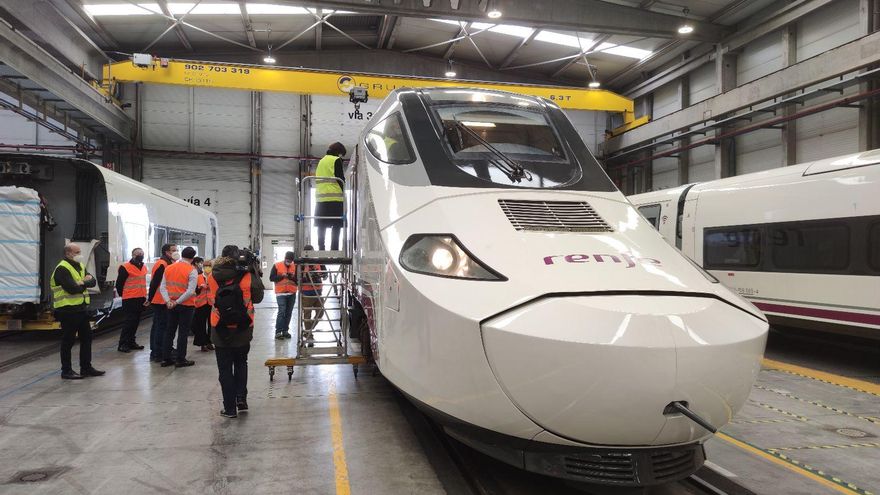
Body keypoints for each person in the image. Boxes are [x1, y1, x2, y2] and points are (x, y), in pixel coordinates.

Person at [208, 244, 264, 418]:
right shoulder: (247, 275)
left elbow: (210, 297)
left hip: (220, 326)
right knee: (241, 363)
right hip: (243, 326)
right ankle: (241, 399)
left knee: (224, 369)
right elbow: (259, 297)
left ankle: (229, 408)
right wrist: (254, 271)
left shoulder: (211, 276)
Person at [52, 243, 104, 379]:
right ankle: (66, 370)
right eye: (77, 252)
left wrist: (81, 283)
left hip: (81, 309)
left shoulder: (79, 266)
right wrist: (83, 282)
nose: (80, 254)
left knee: (87, 338)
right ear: (68, 253)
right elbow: (72, 288)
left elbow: (92, 282)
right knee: (68, 341)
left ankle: (86, 368)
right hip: (67, 310)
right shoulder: (62, 269)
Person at [159, 246, 198, 368]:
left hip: (171, 305)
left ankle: (166, 358)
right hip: (186, 306)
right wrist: (178, 302)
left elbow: (163, 287)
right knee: (183, 333)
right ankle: (180, 359)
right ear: (193, 258)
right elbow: (190, 291)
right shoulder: (192, 270)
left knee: (169, 331)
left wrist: (168, 301)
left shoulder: (169, 268)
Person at [147, 243, 177, 362]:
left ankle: (158, 349)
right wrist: (150, 299)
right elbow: (154, 283)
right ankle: (158, 352)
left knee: (159, 326)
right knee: (162, 327)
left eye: (176, 250)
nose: (175, 252)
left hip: (162, 299)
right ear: (166, 252)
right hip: (160, 300)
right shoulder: (162, 264)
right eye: (173, 250)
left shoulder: (168, 263)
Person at [315, 142, 346, 251]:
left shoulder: (321, 161)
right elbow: (340, 178)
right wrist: (344, 192)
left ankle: (321, 247)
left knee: (321, 224)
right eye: (342, 154)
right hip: (334, 197)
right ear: (339, 152)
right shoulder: (336, 160)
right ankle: (334, 248)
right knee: (336, 224)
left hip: (320, 198)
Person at [115, 247, 147, 353]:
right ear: (133, 255)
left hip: (140, 297)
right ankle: (123, 344)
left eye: (142, 253)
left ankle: (131, 342)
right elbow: (119, 284)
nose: (141, 255)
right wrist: (124, 295)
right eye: (138, 253)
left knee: (136, 321)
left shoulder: (143, 267)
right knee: (129, 322)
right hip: (129, 298)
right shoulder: (125, 267)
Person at [299, 245, 327, 346]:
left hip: (318, 292)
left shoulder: (319, 262)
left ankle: (308, 331)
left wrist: (323, 275)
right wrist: (306, 278)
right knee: (307, 315)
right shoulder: (301, 263)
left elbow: (325, 274)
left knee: (320, 313)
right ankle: (309, 336)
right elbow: (297, 278)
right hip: (306, 293)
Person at [269, 251, 297, 340]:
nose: (289, 261)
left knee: (288, 313)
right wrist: (282, 276)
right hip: (280, 293)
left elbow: (298, 280)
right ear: (285, 258)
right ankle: (278, 332)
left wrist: (291, 277)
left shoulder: (295, 267)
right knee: (282, 311)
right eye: (287, 260)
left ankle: (285, 331)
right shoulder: (277, 265)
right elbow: (271, 278)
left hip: (292, 293)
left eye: (290, 260)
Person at [191, 257, 214, 352]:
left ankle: (210, 342)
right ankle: (202, 343)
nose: (207, 268)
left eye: (209, 266)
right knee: (200, 324)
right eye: (206, 266)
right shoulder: (198, 277)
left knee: (211, 324)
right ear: (203, 267)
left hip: (211, 303)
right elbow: (193, 291)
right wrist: (200, 287)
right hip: (201, 304)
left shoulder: (214, 277)